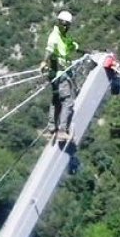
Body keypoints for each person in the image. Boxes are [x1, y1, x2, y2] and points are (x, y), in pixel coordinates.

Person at [44, 9, 80, 141]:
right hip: (60, 74)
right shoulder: (55, 36)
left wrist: (86, 51)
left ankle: (51, 129)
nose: (64, 26)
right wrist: (44, 61)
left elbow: (73, 46)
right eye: (62, 23)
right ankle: (62, 130)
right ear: (59, 23)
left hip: (56, 74)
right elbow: (49, 49)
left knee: (56, 100)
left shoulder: (63, 38)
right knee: (68, 102)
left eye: (66, 24)